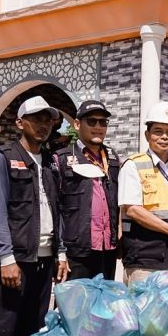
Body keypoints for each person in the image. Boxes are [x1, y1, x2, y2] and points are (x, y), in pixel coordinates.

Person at [0, 96, 69, 336]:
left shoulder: (51, 162)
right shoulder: (3, 157)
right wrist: (6, 258)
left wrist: (60, 253)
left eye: (48, 120)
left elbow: (57, 209)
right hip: (15, 262)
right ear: (20, 123)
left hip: (44, 262)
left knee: (34, 328)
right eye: (36, 119)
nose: (43, 125)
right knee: (2, 330)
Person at [119, 101, 168, 283]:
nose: (164, 137)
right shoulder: (133, 165)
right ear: (147, 135)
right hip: (144, 262)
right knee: (145, 311)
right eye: (158, 131)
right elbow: (132, 210)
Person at [55, 100, 120, 280]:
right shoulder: (62, 159)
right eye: (91, 121)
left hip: (108, 249)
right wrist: (60, 252)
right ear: (77, 124)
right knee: (73, 307)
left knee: (103, 305)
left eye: (103, 122)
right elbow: (55, 209)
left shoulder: (113, 159)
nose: (98, 127)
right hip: (76, 252)